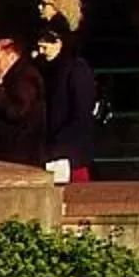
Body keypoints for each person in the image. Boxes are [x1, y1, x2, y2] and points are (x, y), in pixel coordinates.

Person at [36, 22, 99, 183]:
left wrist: (58, 142)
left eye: (45, 47)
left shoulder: (76, 69)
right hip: (53, 147)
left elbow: (81, 114)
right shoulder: (49, 68)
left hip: (69, 152)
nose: (40, 52)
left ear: (59, 43)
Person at [0, 32, 49, 168]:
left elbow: (17, 112)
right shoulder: (17, 75)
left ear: (12, 57)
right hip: (11, 150)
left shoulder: (24, 78)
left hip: (19, 152)